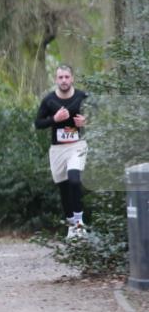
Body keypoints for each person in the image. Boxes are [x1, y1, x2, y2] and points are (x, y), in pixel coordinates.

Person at [34, 64, 89, 238]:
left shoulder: (82, 96)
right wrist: (54, 119)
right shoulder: (49, 100)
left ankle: (80, 223)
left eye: (67, 77)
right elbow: (38, 123)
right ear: (56, 79)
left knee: (74, 179)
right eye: (60, 77)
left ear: (72, 78)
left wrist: (87, 121)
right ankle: (71, 225)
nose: (64, 80)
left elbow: (97, 115)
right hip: (57, 149)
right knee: (64, 188)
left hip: (77, 145)